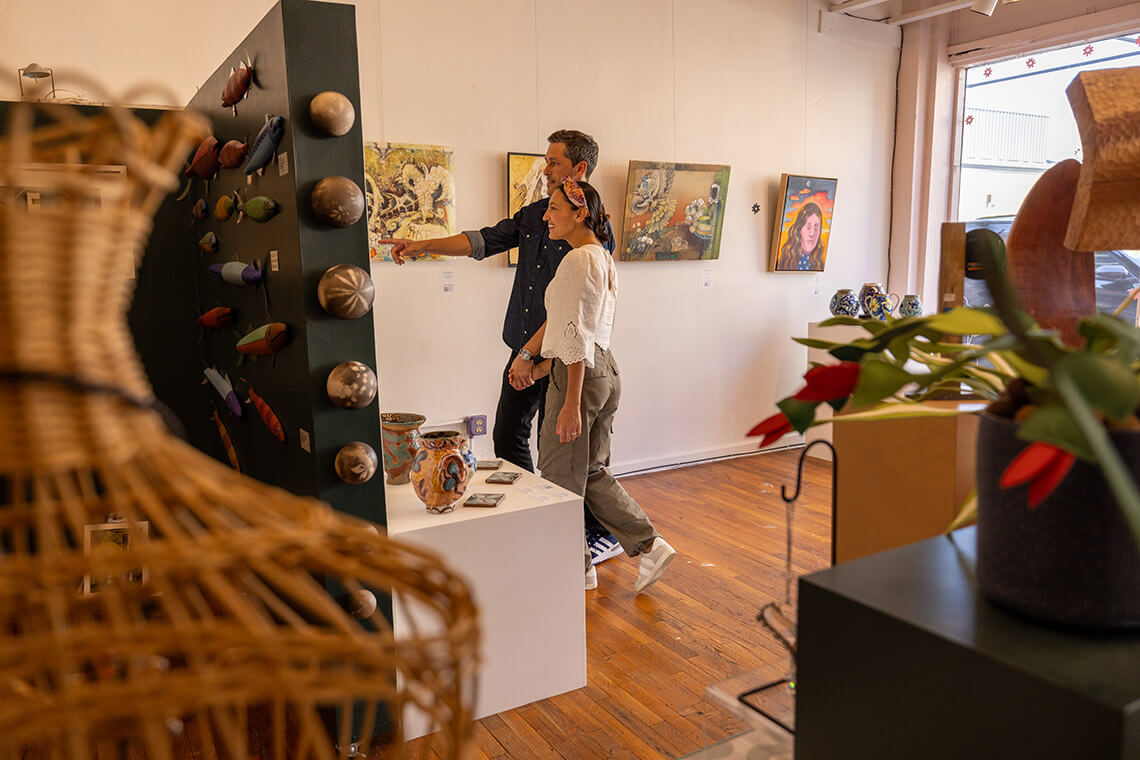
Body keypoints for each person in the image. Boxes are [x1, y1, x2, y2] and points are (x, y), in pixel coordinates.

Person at [380, 129, 622, 565]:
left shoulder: (593, 232)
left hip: (562, 355)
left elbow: (575, 311)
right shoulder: (535, 215)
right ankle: (536, 517)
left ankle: (592, 533)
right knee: (508, 433)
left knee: (568, 452)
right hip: (525, 348)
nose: (545, 169)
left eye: (553, 162)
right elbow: (485, 240)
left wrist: (535, 356)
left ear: (579, 169)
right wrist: (421, 246)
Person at [510, 178, 676, 593]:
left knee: (558, 475)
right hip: (603, 371)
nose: (546, 216)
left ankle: (576, 568)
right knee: (591, 471)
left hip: (581, 376)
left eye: (553, 208)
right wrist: (531, 359)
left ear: (579, 213)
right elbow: (574, 327)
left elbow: (577, 338)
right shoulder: (598, 256)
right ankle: (648, 547)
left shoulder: (578, 261)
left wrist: (568, 403)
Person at [777, 202, 826, 271]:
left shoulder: (819, 263)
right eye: (808, 227)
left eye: (816, 228)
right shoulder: (787, 260)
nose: (812, 234)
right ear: (799, 230)